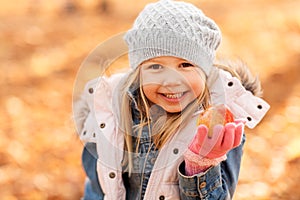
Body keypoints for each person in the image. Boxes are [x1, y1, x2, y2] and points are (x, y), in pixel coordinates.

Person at [73, 0, 270, 199]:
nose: (172, 81)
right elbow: (98, 188)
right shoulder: (109, 112)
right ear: (139, 73)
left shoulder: (221, 121)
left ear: (205, 70)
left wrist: (200, 165)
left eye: (185, 65)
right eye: (156, 67)